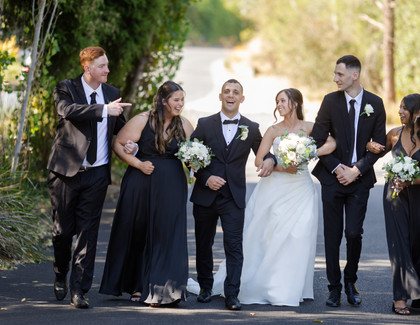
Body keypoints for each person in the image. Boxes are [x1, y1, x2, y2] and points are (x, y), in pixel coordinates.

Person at [188, 88, 336, 306]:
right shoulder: (273, 129)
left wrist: (310, 152)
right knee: (270, 237)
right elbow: (260, 160)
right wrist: (277, 164)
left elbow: (331, 143)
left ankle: (289, 287)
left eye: (283, 101)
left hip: (302, 189)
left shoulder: (310, 127)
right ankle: (263, 285)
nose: (279, 105)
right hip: (276, 187)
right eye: (277, 102)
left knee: (299, 236)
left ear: (295, 103)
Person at [47, 46, 132, 308]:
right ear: (87, 68)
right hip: (66, 172)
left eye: (107, 65)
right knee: (63, 232)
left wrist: (131, 146)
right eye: (103, 66)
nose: (108, 70)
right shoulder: (66, 88)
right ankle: (60, 273)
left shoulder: (112, 93)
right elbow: (67, 111)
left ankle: (79, 290)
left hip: (97, 174)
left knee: (88, 232)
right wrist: (104, 110)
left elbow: (121, 129)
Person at [99, 81, 194, 307]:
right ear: (163, 100)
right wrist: (139, 164)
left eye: (182, 100)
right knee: (140, 231)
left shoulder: (186, 125)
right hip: (142, 182)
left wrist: (194, 164)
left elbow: (193, 152)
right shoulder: (143, 120)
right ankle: (138, 285)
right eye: (176, 100)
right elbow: (119, 144)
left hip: (172, 184)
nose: (180, 104)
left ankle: (164, 289)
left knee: (167, 233)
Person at [190, 79, 276, 310]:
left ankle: (232, 294)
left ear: (242, 98)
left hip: (233, 197)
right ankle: (206, 287)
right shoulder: (205, 124)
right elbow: (190, 155)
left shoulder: (251, 127)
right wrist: (206, 177)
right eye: (227, 91)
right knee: (203, 244)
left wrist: (271, 159)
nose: (230, 95)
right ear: (220, 96)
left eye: (235, 92)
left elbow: (264, 152)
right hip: (205, 195)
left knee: (234, 247)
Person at [310, 55, 386, 308]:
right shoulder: (330, 101)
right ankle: (333, 289)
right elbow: (319, 140)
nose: (335, 79)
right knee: (332, 236)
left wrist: (356, 170)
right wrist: (337, 168)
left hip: (359, 180)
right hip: (332, 178)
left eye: (339, 74)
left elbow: (378, 146)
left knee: (353, 233)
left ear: (355, 75)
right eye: (335, 74)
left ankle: (350, 280)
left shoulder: (375, 103)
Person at [366, 93, 420, 315]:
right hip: (394, 195)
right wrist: (369, 145)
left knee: (418, 242)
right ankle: (399, 299)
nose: (400, 111)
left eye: (405, 108)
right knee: (399, 244)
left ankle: (419, 291)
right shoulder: (394, 134)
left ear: (418, 113)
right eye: (400, 107)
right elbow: (376, 151)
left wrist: (409, 181)